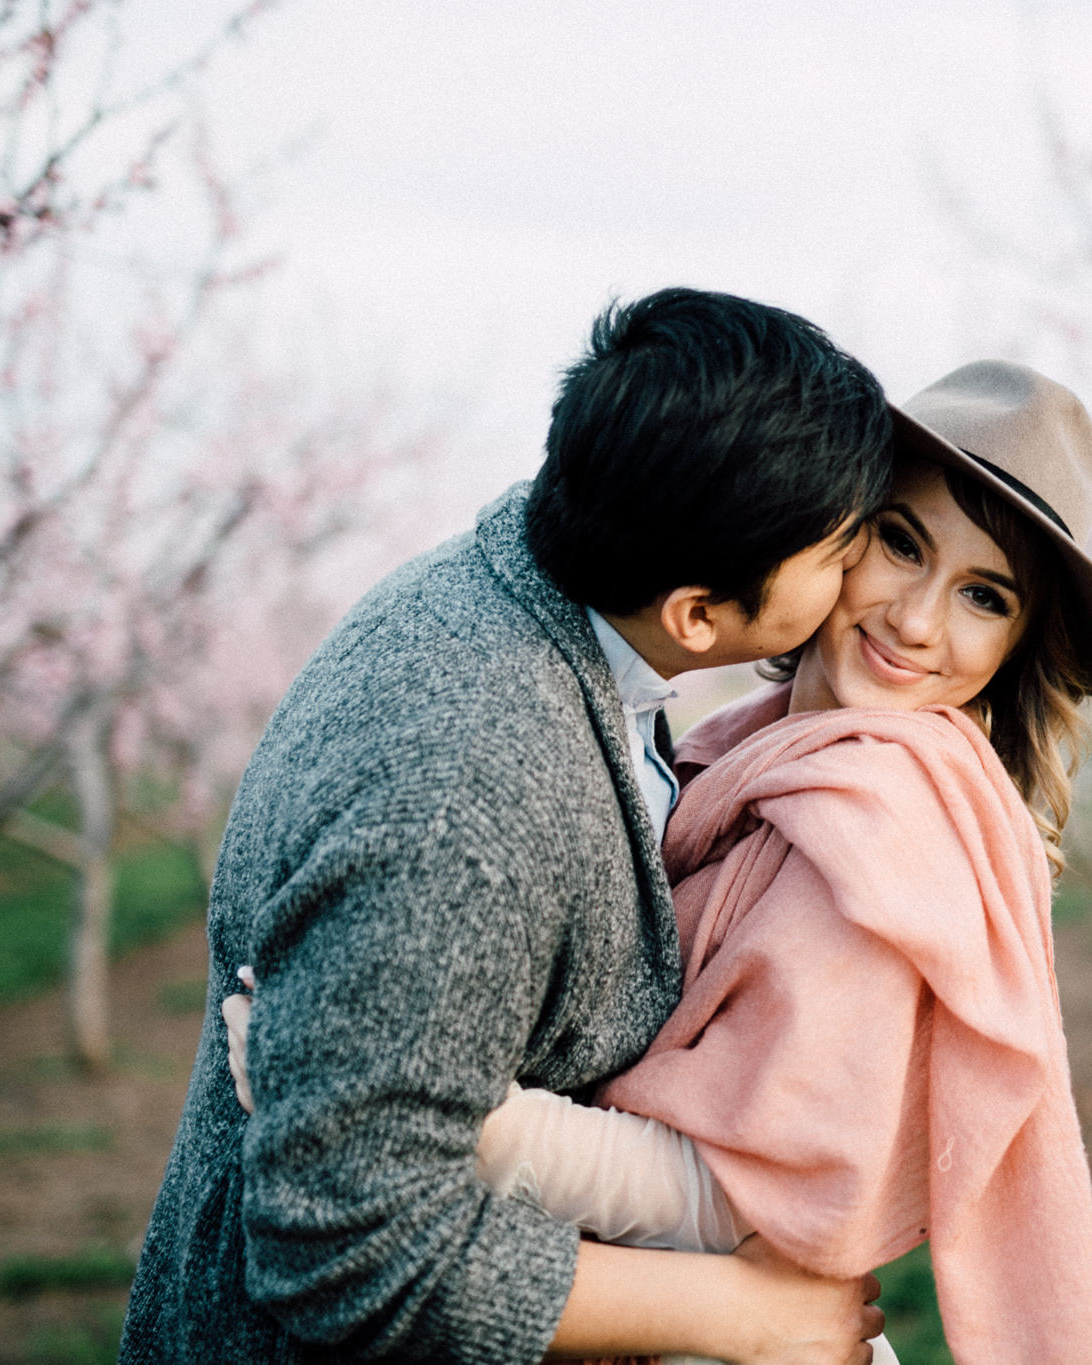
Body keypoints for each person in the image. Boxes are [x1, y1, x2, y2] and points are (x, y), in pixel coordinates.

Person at [227, 360, 1092, 1363]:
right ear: (833, 532)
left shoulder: (880, 831)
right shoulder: (749, 747)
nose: (916, 622)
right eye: (899, 543)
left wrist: (420, 1105)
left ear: (1016, 647)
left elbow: (733, 1193)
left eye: (983, 597)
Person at [120, 288, 901, 1365]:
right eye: (840, 545)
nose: (863, 572)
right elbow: (346, 1247)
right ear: (698, 614)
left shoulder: (546, 574)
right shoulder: (466, 800)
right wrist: (742, 1315)